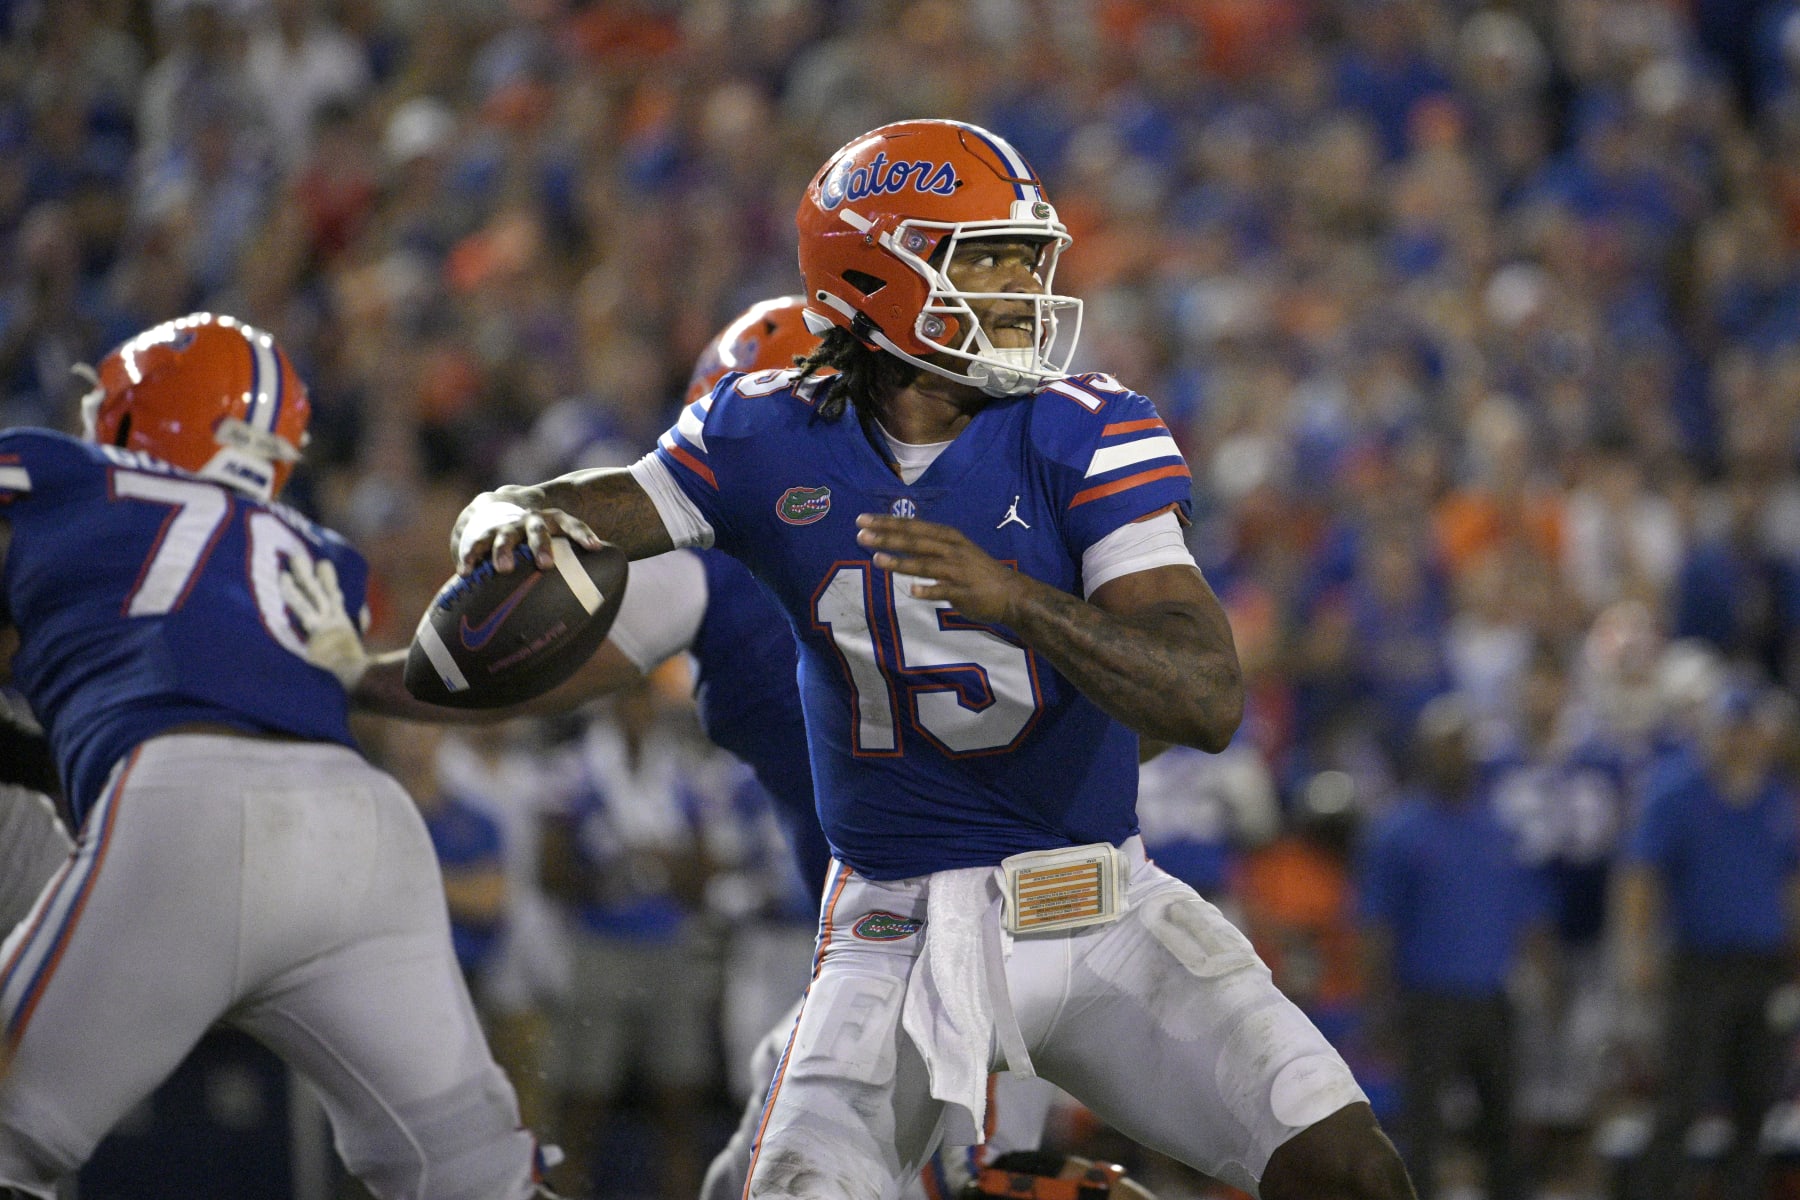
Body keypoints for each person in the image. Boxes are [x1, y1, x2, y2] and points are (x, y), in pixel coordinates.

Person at [452, 120, 1412, 1200]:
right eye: (984, 257)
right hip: (891, 930)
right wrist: (515, 505)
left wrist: (1023, 604)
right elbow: (616, 506)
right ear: (877, 270)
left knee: (1350, 1172)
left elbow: (1205, 695)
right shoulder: (761, 433)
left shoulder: (1087, 431)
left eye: (1024, 256)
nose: (1019, 287)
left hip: (1099, 908)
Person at [292, 293, 1062, 1200]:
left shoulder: (711, 569)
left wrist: (360, 673)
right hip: (1010, 923)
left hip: (932, 958)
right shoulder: (989, 521)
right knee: (754, 1175)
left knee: (944, 1182)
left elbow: (508, 682)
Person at [0, 313, 551, 1198]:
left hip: (190, 811)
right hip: (365, 831)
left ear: (138, 413)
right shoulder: (318, 552)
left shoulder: (61, 477)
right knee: (474, 1175)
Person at [1357, 693, 1553, 1200]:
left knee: (1503, 1126)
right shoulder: (1398, 831)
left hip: (1493, 997)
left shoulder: (1498, 828)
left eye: (1461, 745)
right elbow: (1377, 926)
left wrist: (1544, 976)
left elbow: (1527, 914)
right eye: (1445, 745)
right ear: (1425, 751)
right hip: (1429, 1001)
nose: (1454, 755)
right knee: (1423, 1129)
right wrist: (1378, 1005)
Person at [1617, 682, 1800, 1200]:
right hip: (1700, 965)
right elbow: (1641, 877)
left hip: (1763, 966)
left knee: (1756, 1101)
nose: (1739, 742)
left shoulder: (1778, 799)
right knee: (1682, 1099)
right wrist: (1639, 949)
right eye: (1730, 730)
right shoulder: (1678, 792)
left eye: (1747, 730)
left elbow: (1791, 883)